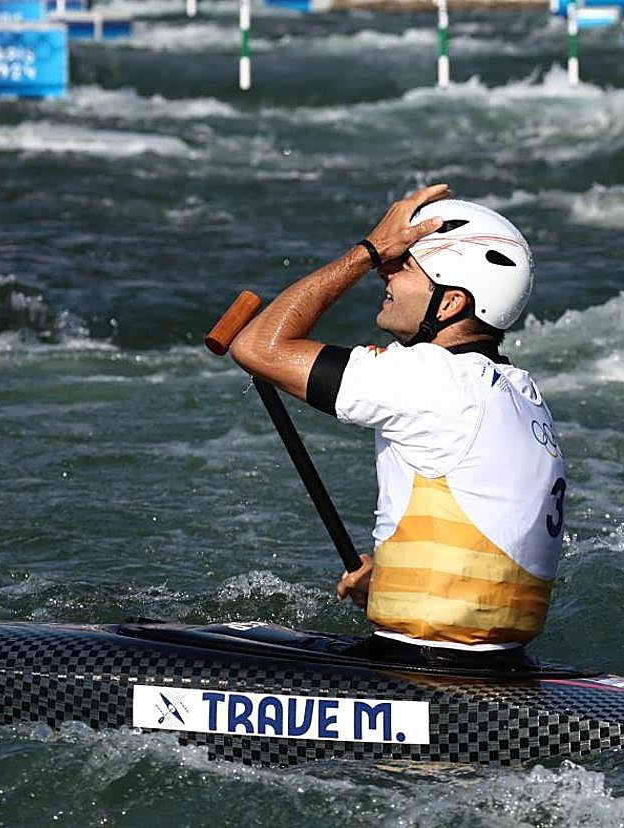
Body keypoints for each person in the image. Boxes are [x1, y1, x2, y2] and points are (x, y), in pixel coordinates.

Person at [229, 183, 566, 669]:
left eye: (403, 264)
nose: (387, 271)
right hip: (500, 664)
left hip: (423, 669)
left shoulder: (433, 378)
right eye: (391, 259)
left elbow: (258, 346)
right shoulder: (520, 390)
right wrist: (393, 582)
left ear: (449, 305)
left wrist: (367, 251)